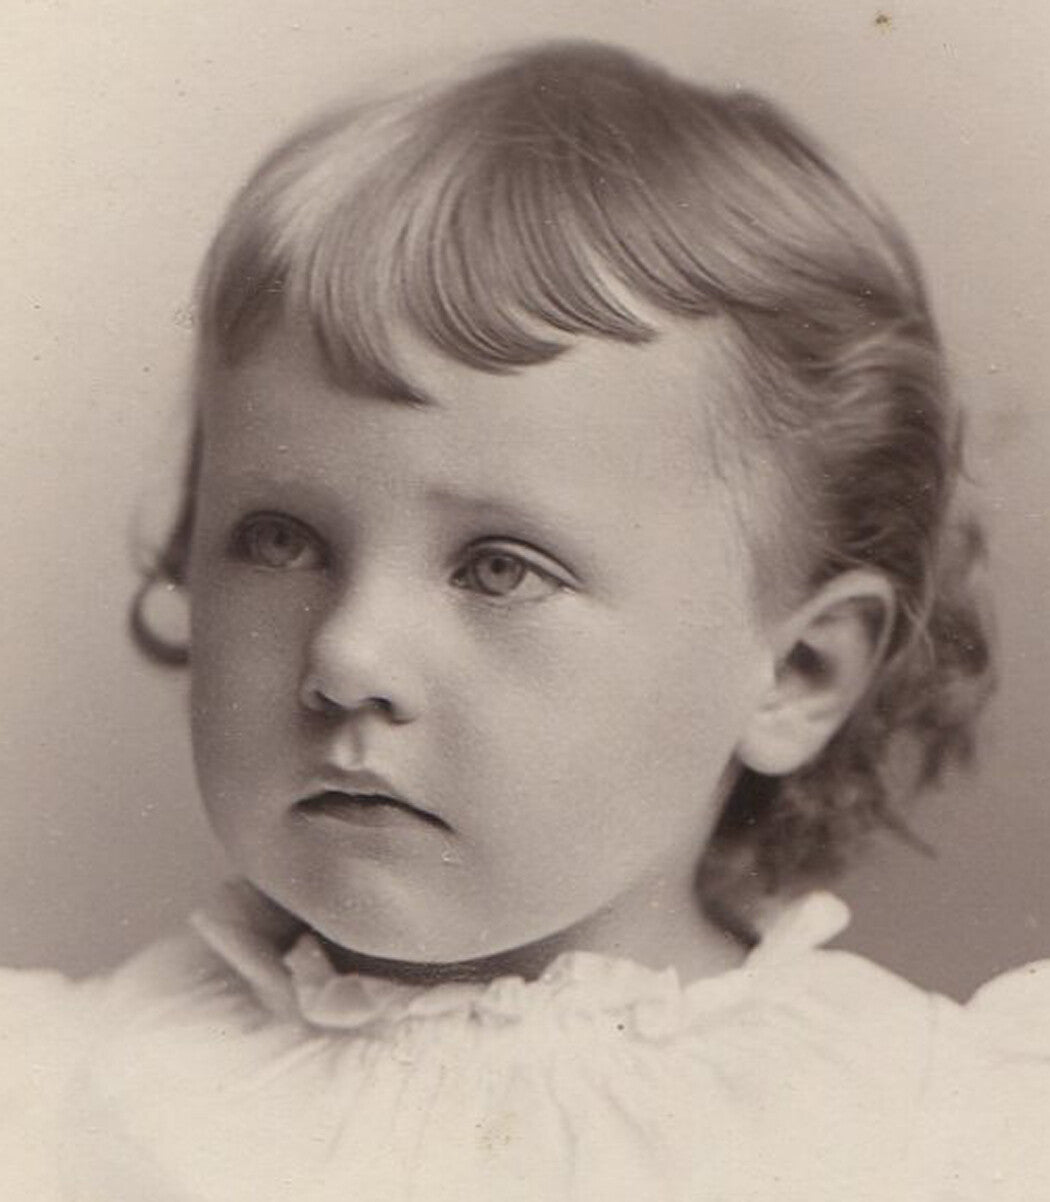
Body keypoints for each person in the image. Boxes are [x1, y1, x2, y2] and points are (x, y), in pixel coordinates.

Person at [1, 39, 1045, 1201]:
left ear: (796, 669)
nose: (347, 657)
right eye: (280, 537)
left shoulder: (934, 1136)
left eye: (501, 569)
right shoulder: (49, 1103)